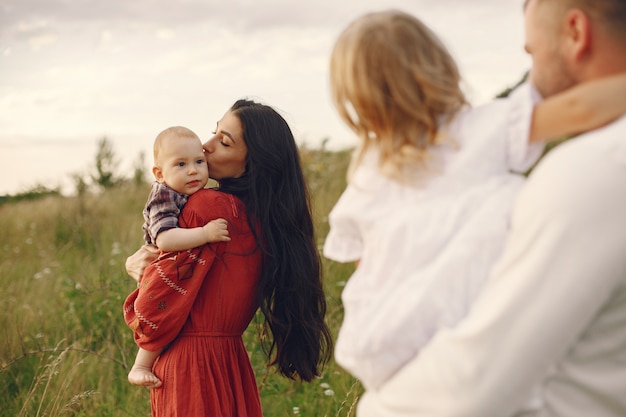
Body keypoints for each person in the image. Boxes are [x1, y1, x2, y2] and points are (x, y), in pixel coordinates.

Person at [323, 8, 626, 402]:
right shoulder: (482, 128)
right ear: (442, 68)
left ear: (354, 101)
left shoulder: (366, 175)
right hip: (470, 307)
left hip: (383, 339)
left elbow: (364, 259)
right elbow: (581, 109)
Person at [123, 99, 333, 416]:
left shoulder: (206, 208)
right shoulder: (269, 223)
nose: (205, 147)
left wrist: (138, 270)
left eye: (223, 142)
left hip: (190, 369)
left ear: (252, 164)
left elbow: (161, 298)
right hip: (231, 366)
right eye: (213, 133)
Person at [127, 125, 230, 388]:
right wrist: (205, 233)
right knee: (161, 316)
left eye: (199, 162)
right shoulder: (164, 194)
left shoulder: (188, 191)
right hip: (161, 268)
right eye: (181, 164)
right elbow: (165, 239)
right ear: (160, 174)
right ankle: (140, 365)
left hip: (176, 267)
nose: (193, 170)